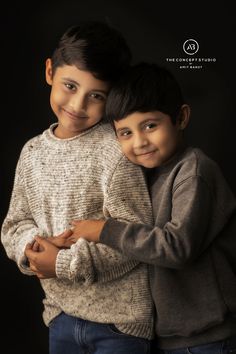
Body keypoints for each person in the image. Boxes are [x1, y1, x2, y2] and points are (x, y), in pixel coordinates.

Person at [1, 24, 155, 354]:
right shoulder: (32, 153)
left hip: (119, 323)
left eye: (96, 96)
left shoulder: (115, 152)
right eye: (69, 86)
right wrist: (33, 247)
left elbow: (137, 238)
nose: (77, 104)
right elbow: (14, 225)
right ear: (49, 72)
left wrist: (63, 264)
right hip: (60, 316)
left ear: (110, 98)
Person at [68, 62, 236, 354]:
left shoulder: (193, 171)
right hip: (164, 337)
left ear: (180, 117)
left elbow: (176, 247)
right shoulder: (142, 175)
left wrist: (104, 230)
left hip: (208, 337)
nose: (140, 142)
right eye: (125, 133)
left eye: (150, 126)